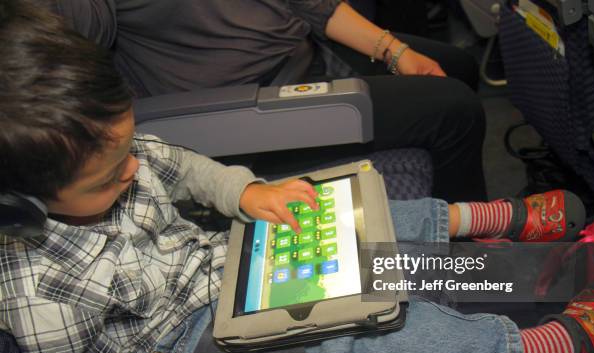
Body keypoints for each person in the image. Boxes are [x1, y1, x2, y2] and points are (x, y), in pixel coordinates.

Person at [1, 3, 594, 353]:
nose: (135, 169)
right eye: (111, 177)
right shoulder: (38, 287)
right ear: (21, 206)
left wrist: (246, 192)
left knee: (351, 221)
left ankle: (473, 228)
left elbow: (182, 165)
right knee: (357, 339)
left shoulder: (116, 153)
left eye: (130, 148)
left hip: (225, 261)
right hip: (196, 350)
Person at [47, 0, 487, 203]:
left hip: (305, 53)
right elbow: (61, 56)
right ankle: (466, 259)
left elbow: (311, 5)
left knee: (457, 66)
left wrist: (394, 51)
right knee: (454, 109)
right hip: (241, 108)